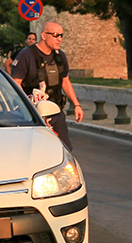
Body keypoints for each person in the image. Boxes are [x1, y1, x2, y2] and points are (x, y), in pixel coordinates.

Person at [11, 21, 83, 151]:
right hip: (33, 116)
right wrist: (28, 105)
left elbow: (65, 81)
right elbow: (16, 82)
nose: (59, 39)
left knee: (65, 150)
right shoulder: (26, 55)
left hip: (56, 111)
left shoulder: (60, 56)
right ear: (44, 36)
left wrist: (76, 105)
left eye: (61, 35)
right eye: (55, 35)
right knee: (36, 150)